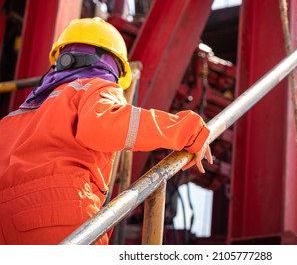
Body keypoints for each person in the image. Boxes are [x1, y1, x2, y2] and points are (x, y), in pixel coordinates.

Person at [0, 17, 213, 245]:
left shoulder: (15, 117)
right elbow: (105, 123)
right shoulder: (93, 86)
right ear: (111, 65)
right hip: (60, 210)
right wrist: (185, 129)